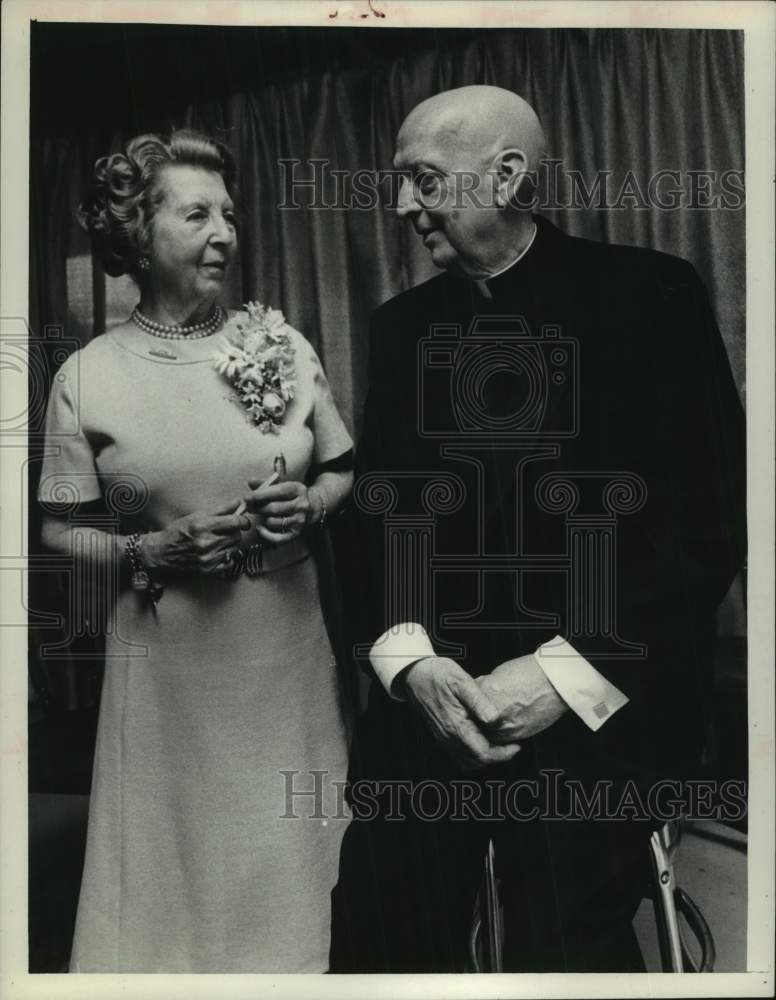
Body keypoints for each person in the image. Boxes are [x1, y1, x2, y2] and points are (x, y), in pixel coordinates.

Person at [330, 86, 746, 972]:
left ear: (508, 175)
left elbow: (703, 529)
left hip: (601, 703)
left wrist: (559, 675)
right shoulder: (400, 330)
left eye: (424, 181)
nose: (403, 206)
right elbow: (379, 524)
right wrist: (414, 667)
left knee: (566, 942)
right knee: (378, 932)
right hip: (434, 704)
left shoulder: (651, 296)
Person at [38, 129, 354, 972]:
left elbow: (344, 469)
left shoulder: (281, 345)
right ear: (138, 235)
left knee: (287, 860)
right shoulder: (89, 375)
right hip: (170, 657)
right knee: (176, 871)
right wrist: (152, 550)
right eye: (196, 214)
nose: (225, 232)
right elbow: (56, 531)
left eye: (229, 214)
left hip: (284, 652)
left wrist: (311, 504)